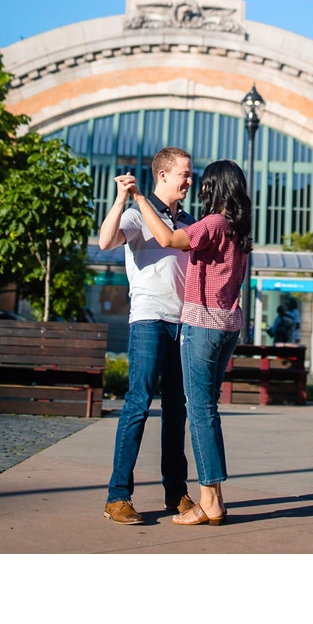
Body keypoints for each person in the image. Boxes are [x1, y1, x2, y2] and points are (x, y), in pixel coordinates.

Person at [123, 157, 252, 527]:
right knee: (207, 410)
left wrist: (139, 198)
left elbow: (166, 238)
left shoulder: (211, 223)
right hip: (229, 325)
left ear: (216, 187)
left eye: (206, 183)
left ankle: (210, 499)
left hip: (202, 325)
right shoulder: (239, 228)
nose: (200, 188)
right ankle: (214, 498)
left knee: (199, 413)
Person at [99, 146, 197, 524]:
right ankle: (117, 497)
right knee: (138, 404)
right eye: (184, 174)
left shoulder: (189, 220)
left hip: (183, 322)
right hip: (149, 319)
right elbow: (106, 242)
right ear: (163, 175)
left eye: (191, 174)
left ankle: (177, 493)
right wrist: (123, 197)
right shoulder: (138, 213)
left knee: (176, 411)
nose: (190, 181)